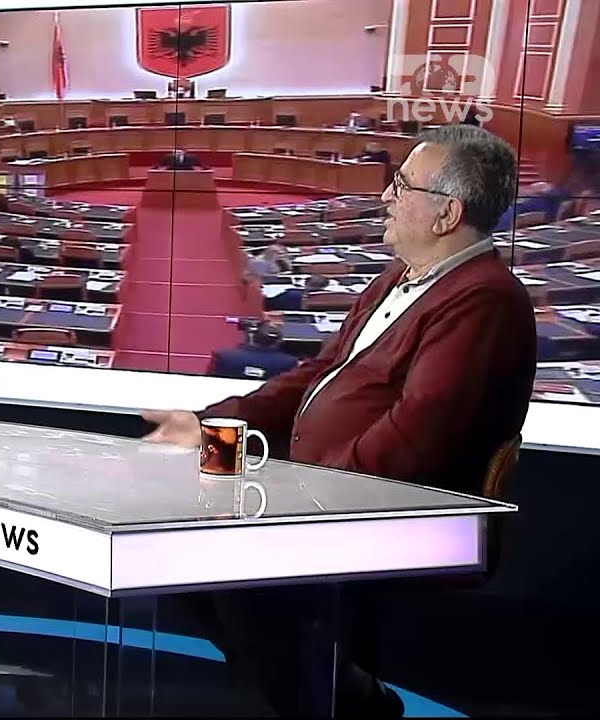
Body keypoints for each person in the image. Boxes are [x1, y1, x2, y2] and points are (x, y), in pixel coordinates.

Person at [142, 124, 536, 716]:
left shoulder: (485, 300)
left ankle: (342, 700)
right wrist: (212, 424)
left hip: (408, 514)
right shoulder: (399, 278)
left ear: (447, 213)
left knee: (229, 564)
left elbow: (410, 442)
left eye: (402, 184)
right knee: (175, 539)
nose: (386, 195)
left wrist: (293, 494)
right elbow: (319, 373)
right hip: (330, 490)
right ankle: (340, 694)